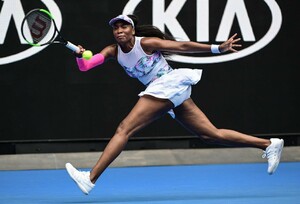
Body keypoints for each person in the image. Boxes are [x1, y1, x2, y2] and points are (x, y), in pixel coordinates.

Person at [65, 14, 284, 195]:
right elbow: (87, 66)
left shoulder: (147, 43)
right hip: (167, 92)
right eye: (115, 28)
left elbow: (182, 46)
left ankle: (90, 178)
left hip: (167, 85)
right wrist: (78, 55)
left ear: (133, 29)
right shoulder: (112, 51)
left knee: (124, 129)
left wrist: (217, 48)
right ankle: (268, 144)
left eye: (124, 26)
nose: (119, 30)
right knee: (210, 134)